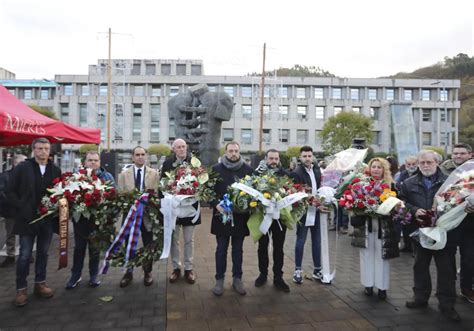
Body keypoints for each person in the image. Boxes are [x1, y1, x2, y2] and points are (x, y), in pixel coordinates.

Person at [399, 150, 460, 322]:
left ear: (437, 163)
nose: (425, 165)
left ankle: (447, 304)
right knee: (420, 266)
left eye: (429, 162)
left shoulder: (450, 182)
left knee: (446, 270)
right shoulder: (408, 183)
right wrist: (412, 210)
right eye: (422, 162)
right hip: (421, 232)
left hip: (444, 233)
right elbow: (402, 201)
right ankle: (420, 298)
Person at [6, 138, 61, 307]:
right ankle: (21, 289)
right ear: (33, 150)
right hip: (26, 219)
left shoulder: (55, 169)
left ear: (49, 150)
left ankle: (40, 283)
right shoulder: (23, 168)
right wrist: (21, 207)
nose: (43, 152)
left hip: (46, 220)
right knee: (24, 255)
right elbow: (9, 190)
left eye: (46, 148)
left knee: (43, 253)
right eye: (39, 148)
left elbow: (59, 192)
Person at [350, 158, 399, 300]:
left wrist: (393, 209)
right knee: (366, 255)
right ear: (369, 169)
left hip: (384, 227)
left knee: (382, 256)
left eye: (379, 167)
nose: (376, 169)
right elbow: (354, 206)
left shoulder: (391, 186)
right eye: (373, 167)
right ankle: (368, 285)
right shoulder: (361, 185)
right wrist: (360, 208)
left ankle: (382, 287)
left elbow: (397, 206)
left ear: (384, 169)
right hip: (365, 225)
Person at [65, 151, 115, 289]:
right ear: (85, 162)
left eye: (96, 160)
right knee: (79, 249)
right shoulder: (77, 177)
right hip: (80, 221)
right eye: (90, 160)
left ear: (99, 162)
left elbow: (113, 196)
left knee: (94, 250)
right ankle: (75, 275)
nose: (93, 162)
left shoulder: (107, 176)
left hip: (98, 221)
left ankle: (93, 276)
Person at [210, 141, 253, 296]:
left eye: (236, 151)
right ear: (225, 152)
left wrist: (248, 205)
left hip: (240, 218)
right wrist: (216, 204)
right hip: (221, 216)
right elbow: (208, 192)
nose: (233, 153)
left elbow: (253, 192)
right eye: (230, 151)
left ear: (239, 151)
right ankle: (219, 280)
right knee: (221, 249)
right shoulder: (216, 169)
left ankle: (237, 279)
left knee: (237, 250)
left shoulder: (248, 170)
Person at [118, 146, 159, 287]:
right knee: (129, 244)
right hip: (130, 216)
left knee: (148, 245)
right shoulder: (123, 175)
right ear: (132, 157)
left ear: (146, 156)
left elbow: (157, 195)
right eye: (137, 154)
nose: (140, 157)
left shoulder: (154, 174)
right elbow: (120, 196)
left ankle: (148, 272)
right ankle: (128, 273)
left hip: (147, 216)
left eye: (142, 154)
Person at [161, 139, 200, 284]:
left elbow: (202, 182)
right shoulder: (167, 163)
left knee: (189, 240)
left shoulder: (195, 162)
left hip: (190, 207)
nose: (182, 149)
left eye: (183, 146)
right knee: (174, 240)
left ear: (186, 147)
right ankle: (176, 268)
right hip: (174, 208)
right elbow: (162, 184)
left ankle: (189, 269)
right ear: (174, 149)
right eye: (178, 147)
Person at [439, 143, 474, 304]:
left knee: (469, 257)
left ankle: (466, 288)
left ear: (470, 154)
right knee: (448, 257)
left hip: (470, 223)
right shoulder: (442, 171)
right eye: (455, 153)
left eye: (462, 153)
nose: (458, 156)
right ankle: (448, 288)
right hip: (450, 222)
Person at [254, 149, 290, 292]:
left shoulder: (286, 175)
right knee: (262, 246)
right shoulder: (257, 174)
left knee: (279, 247)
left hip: (279, 218)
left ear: (279, 159)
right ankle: (263, 274)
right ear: (266, 159)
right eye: (271, 158)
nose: (273, 161)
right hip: (262, 216)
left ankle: (278, 277)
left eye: (276, 158)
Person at [290, 146, 324, 284]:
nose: (307, 158)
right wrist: (310, 200)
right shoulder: (296, 173)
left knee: (317, 241)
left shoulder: (317, 170)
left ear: (312, 156)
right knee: (301, 241)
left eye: (309, 156)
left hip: (317, 211)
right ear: (300, 157)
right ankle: (297, 270)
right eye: (304, 156)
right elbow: (297, 194)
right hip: (304, 212)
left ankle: (317, 270)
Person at [0, 154, 27, 268]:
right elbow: (2, 193)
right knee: (10, 233)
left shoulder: (27, 176)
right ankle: (10, 256)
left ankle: (26, 253)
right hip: (11, 210)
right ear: (16, 163)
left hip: (24, 210)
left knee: (25, 233)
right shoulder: (5, 176)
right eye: (24, 163)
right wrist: (17, 203)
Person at [395, 155, 419, 253]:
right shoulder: (403, 174)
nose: (411, 166)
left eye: (413, 164)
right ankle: (407, 246)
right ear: (405, 165)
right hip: (404, 202)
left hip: (415, 203)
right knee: (405, 226)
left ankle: (415, 249)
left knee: (415, 227)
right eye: (409, 164)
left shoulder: (420, 173)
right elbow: (398, 185)